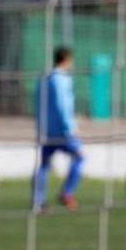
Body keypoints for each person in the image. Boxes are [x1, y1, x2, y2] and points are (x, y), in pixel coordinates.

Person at [33, 47, 84, 211]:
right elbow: (62, 105)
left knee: (44, 165)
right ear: (67, 59)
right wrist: (70, 127)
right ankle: (66, 193)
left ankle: (39, 201)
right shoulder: (60, 78)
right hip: (62, 131)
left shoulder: (45, 77)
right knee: (80, 157)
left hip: (46, 130)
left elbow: (38, 103)